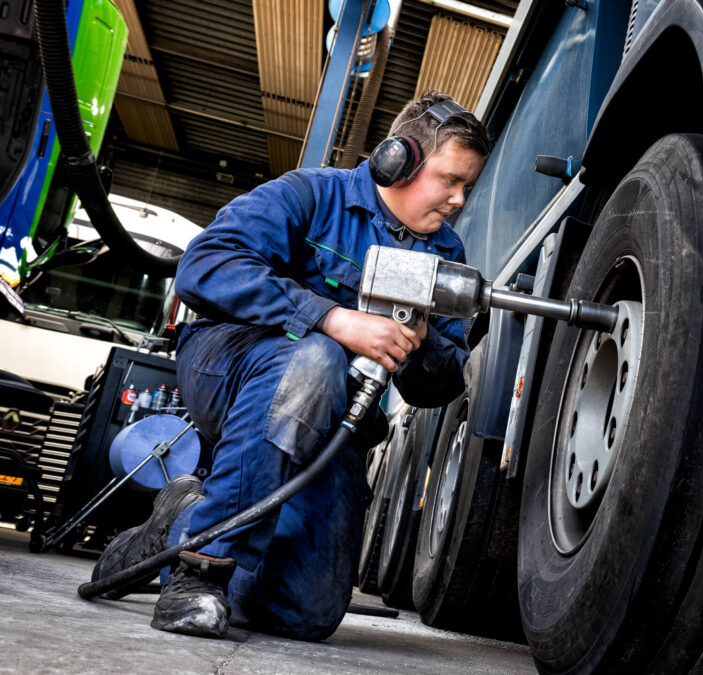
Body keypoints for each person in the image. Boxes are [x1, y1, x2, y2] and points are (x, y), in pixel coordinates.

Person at [91, 90, 491, 640]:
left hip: (333, 421)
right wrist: (331, 318)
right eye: (449, 180)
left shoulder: (446, 256)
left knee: (305, 614)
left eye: (467, 185)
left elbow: (440, 384)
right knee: (316, 358)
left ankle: (181, 519)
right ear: (398, 159)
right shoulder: (313, 194)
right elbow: (204, 265)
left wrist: (420, 343)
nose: (459, 200)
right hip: (230, 369)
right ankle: (200, 572)